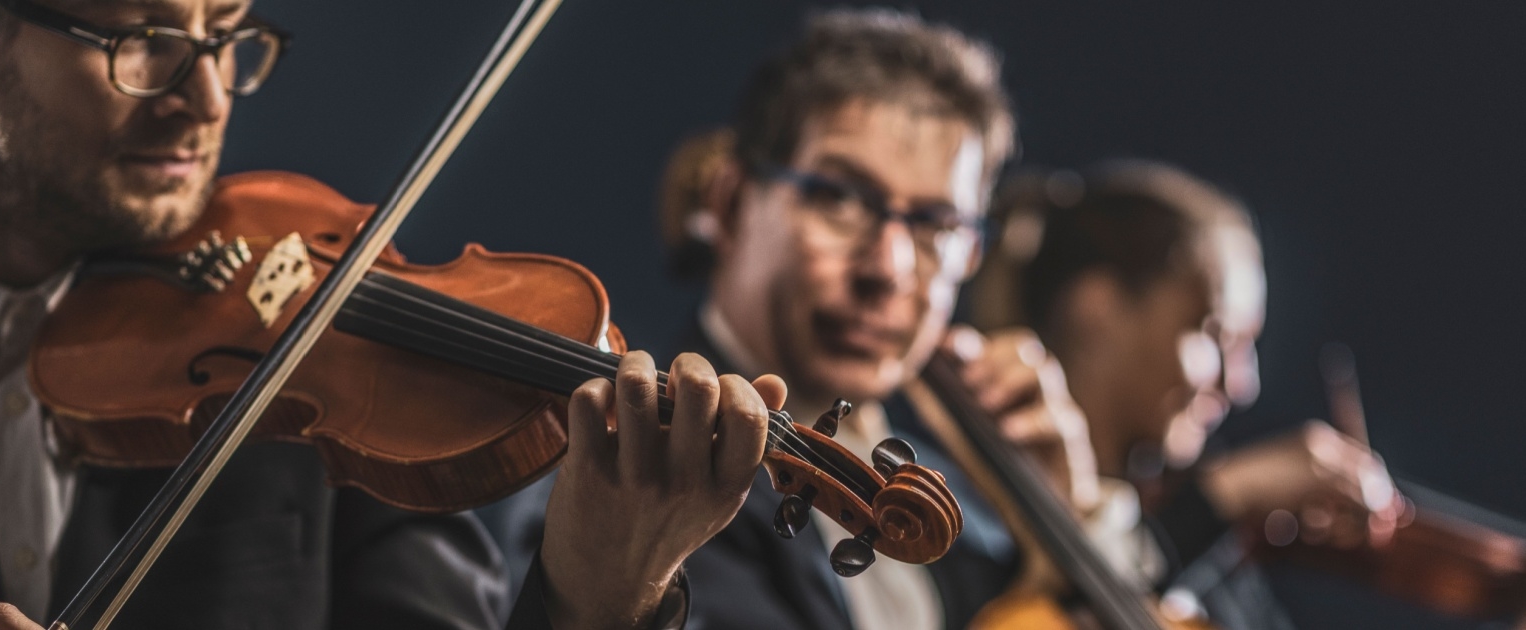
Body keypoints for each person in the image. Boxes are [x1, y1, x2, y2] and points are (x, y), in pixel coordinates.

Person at [0, 0, 782, 628]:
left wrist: (598, 590)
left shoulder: (331, 369)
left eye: (226, 34)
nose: (203, 99)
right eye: (143, 44)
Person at [486, 10, 1148, 630]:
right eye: (838, 197)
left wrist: (1071, 522)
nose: (887, 266)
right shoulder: (627, 475)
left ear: (970, 253)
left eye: (935, 226)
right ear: (733, 202)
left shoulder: (965, 512)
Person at [969, 160, 1404, 627]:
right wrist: (1224, 496)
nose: (1240, 385)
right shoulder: (972, 523)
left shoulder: (1200, 553)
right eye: (1212, 335)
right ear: (1096, 310)